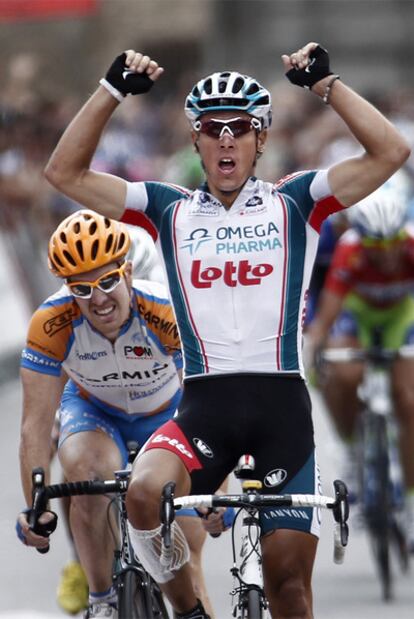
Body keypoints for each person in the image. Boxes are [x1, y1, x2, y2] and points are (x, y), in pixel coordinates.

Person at [43, 42, 410, 619]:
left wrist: (328, 86)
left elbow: (392, 150)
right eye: (212, 129)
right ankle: (189, 609)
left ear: (261, 138)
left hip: (281, 413)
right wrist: (109, 92)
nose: (226, 140)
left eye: (240, 128)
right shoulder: (169, 208)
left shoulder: (297, 200)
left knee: (291, 591)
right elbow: (63, 172)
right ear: (195, 140)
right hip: (204, 409)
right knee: (141, 494)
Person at [16, 210, 215, 619]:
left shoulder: (164, 311)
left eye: (107, 281)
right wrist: (35, 505)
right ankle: (103, 601)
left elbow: (209, 403)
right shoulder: (52, 324)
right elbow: (35, 425)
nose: (99, 299)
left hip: (168, 415)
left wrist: (216, 483)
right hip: (95, 412)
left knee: (188, 563)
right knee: (86, 474)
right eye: (82, 289)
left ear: (126, 273)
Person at [305, 180, 414, 543]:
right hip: (359, 318)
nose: (384, 254)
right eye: (374, 245)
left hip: (401, 318)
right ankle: (352, 448)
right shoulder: (349, 251)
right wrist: (313, 351)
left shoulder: (410, 245)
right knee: (342, 374)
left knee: (408, 400)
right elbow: (325, 317)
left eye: (390, 244)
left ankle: (411, 502)